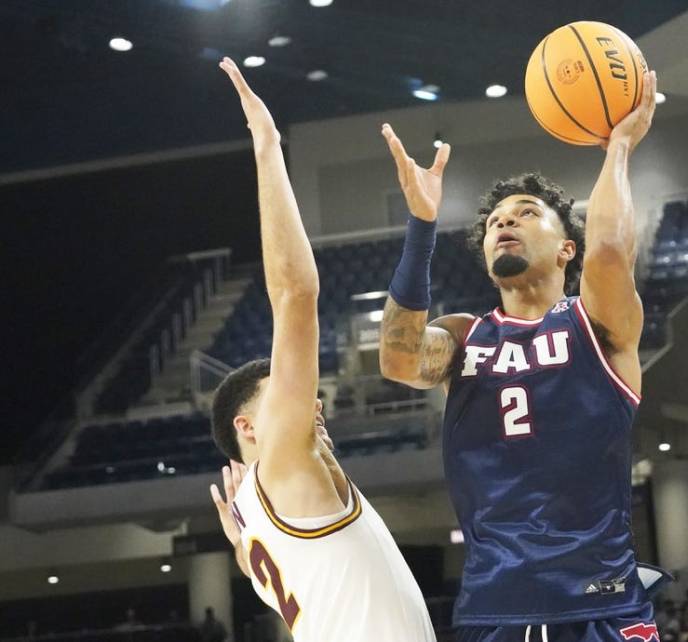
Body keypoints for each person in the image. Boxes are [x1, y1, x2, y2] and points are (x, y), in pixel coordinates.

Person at [378, 70, 664, 640]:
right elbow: (400, 359)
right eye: (494, 221)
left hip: (598, 603)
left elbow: (610, 248)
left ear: (566, 249)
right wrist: (421, 225)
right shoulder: (464, 337)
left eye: (527, 212)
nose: (504, 220)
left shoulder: (597, 325)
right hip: (496, 606)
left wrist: (619, 146)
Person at [206, 58, 435, 642]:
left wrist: (241, 542)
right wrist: (266, 145)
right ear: (248, 427)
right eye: (282, 399)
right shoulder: (279, 465)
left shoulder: (256, 523)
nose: (311, 404)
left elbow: (263, 565)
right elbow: (295, 293)